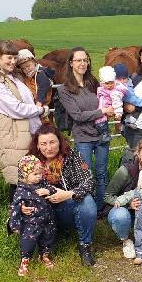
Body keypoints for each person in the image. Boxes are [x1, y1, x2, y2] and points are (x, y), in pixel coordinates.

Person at [26, 123, 98, 266]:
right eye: (44, 144)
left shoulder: (71, 156)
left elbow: (89, 181)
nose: (49, 147)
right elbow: (21, 188)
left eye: (52, 142)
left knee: (88, 202)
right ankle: (35, 248)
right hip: (42, 211)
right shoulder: (30, 161)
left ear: (59, 141)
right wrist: (22, 205)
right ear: (38, 145)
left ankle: (85, 245)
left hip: (65, 208)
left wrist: (68, 194)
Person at [0, 41, 49, 192]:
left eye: (14, 58)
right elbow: (15, 108)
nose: (13, 62)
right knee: (19, 181)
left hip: (30, 132)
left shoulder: (14, 77)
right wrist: (41, 110)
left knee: (36, 177)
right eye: (8, 58)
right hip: (14, 135)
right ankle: (17, 214)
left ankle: (39, 213)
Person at [57, 47, 115, 214]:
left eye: (85, 60)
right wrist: (103, 111)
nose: (82, 63)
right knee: (85, 175)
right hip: (83, 138)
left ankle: (100, 208)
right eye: (78, 60)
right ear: (71, 63)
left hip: (101, 134)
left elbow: (106, 97)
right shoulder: (64, 89)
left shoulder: (93, 82)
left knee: (102, 173)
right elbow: (77, 115)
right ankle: (87, 209)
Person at [9, 155, 58, 276]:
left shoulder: (43, 183)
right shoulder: (21, 190)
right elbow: (15, 207)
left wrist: (48, 191)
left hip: (47, 219)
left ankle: (44, 256)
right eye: (35, 174)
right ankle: (25, 261)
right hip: (32, 222)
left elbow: (53, 189)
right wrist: (14, 225)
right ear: (25, 175)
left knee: (48, 238)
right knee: (28, 241)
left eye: (40, 173)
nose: (39, 177)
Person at [113, 63, 142, 131]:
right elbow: (134, 100)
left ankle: (128, 121)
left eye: (124, 78)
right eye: (118, 79)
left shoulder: (128, 82)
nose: (121, 81)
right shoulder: (122, 89)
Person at [96, 65, 125, 142]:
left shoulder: (115, 92)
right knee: (101, 120)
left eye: (111, 83)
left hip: (111, 108)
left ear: (114, 81)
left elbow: (117, 102)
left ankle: (105, 134)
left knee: (102, 120)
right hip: (103, 108)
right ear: (102, 83)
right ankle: (103, 133)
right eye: (107, 83)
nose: (109, 85)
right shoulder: (102, 88)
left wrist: (118, 113)